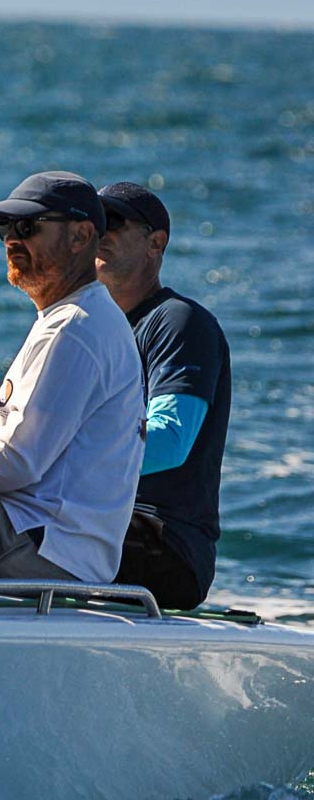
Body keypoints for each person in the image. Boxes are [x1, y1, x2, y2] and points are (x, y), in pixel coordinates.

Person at [0, 172, 144, 582]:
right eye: (6, 228)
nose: (12, 240)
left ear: (81, 236)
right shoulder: (77, 317)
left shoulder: (74, 329)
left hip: (37, 545)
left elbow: (14, 464)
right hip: (46, 541)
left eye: (27, 227)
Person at [96, 181, 230, 609]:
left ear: (156, 242)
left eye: (113, 221)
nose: (100, 232)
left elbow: (170, 441)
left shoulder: (179, 322)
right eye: (94, 221)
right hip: (104, 521)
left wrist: (59, 464)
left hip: (166, 542)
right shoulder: (94, 329)